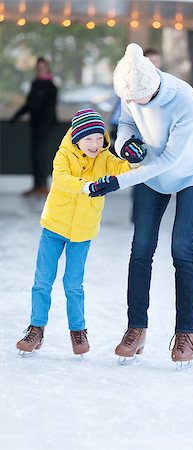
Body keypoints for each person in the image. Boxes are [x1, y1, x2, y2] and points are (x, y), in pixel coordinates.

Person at [89, 43, 193, 369]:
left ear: (152, 88)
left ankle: (186, 334)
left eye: (136, 99)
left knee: (182, 248)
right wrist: (125, 147)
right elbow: (126, 125)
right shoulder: (129, 88)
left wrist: (117, 181)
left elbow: (170, 160)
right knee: (141, 247)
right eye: (127, 98)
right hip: (151, 174)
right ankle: (136, 328)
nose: (130, 102)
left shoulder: (185, 98)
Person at [16, 108, 146, 356]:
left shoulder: (104, 158)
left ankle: (78, 332)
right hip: (54, 227)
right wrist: (88, 186)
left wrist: (133, 159)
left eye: (99, 138)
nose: (95, 144)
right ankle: (36, 329)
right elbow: (62, 179)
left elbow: (123, 169)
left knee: (73, 285)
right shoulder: (63, 154)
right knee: (42, 281)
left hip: (82, 233)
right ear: (77, 138)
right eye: (88, 139)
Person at [10, 57, 58, 196]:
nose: (40, 70)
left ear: (47, 68)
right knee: (34, 155)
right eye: (38, 68)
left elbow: (49, 108)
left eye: (43, 67)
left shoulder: (51, 86)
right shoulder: (35, 84)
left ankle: (43, 185)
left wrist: (45, 125)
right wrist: (16, 116)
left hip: (46, 126)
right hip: (35, 125)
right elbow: (30, 104)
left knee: (40, 154)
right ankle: (36, 185)